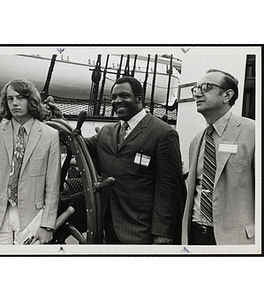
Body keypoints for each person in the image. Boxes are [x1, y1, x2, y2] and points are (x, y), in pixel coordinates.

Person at [86, 76, 184, 244]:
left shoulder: (163, 133)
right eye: (113, 98)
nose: (117, 101)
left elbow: (168, 189)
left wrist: (162, 233)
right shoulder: (106, 132)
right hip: (108, 226)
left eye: (124, 95)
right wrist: (49, 121)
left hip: (142, 231)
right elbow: (80, 146)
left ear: (139, 98)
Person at [0, 79, 61, 245]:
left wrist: (47, 225)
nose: (14, 103)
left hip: (32, 220)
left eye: (20, 98)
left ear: (31, 101)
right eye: (10, 99)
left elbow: (53, 185)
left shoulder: (50, 136)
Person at [182, 69, 255, 245]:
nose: (198, 94)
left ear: (227, 95)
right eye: (196, 89)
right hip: (196, 234)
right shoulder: (196, 141)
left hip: (236, 239)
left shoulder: (252, 132)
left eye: (206, 87)